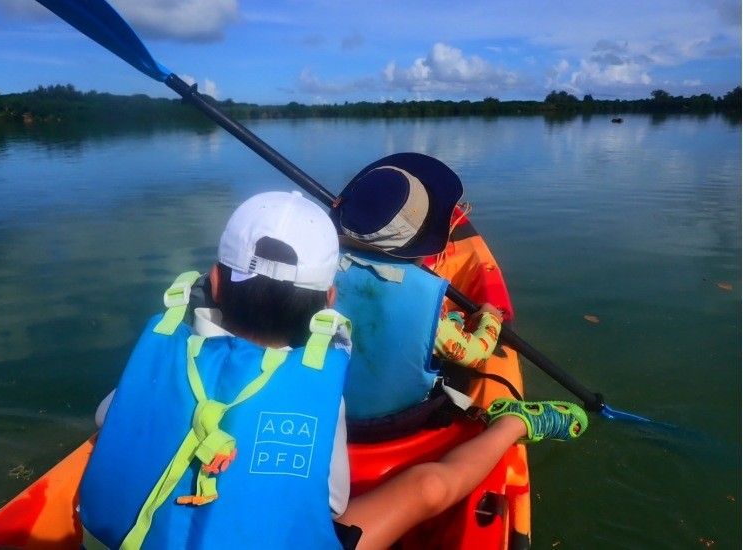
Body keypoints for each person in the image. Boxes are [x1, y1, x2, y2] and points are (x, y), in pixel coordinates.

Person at [81, 189, 588, 550]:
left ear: (213, 282)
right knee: (427, 489)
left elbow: (113, 419)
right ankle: (514, 423)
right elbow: (330, 501)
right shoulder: (320, 390)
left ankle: (513, 424)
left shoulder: (160, 359)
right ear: (328, 301)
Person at [329, 152, 507, 422]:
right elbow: (476, 354)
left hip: (331, 405)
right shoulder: (425, 299)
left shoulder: (320, 271)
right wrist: (490, 318)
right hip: (398, 418)